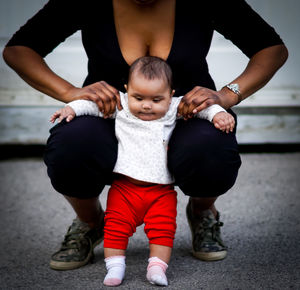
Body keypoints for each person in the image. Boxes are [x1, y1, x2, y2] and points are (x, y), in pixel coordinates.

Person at [3, 0, 288, 273]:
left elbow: (272, 49)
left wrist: (227, 95)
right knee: (71, 144)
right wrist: (68, 92)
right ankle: (90, 222)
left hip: (187, 114)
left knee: (211, 148)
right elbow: (18, 50)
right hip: (109, 114)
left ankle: (202, 212)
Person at [50, 56, 235, 286]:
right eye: (139, 97)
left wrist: (219, 114)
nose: (147, 105)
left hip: (161, 191)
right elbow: (90, 104)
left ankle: (157, 268)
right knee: (115, 228)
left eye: (157, 99)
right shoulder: (123, 105)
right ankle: (114, 267)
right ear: (127, 90)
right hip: (124, 188)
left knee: (163, 230)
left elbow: (202, 109)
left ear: (170, 94)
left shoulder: (173, 108)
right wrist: (71, 108)